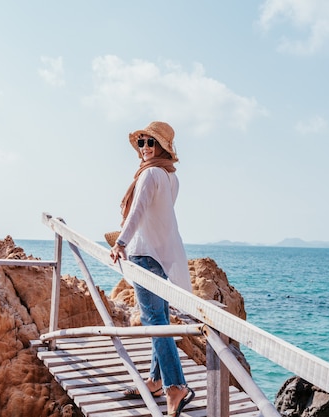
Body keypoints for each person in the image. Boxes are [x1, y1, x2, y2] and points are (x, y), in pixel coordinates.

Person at [109, 121, 195, 417]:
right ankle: (157, 380)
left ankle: (175, 386)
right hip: (164, 254)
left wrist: (120, 243)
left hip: (144, 254)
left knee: (154, 322)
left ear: (162, 148)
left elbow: (139, 211)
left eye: (150, 143)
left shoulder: (150, 175)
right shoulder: (171, 178)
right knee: (160, 317)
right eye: (141, 143)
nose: (144, 148)